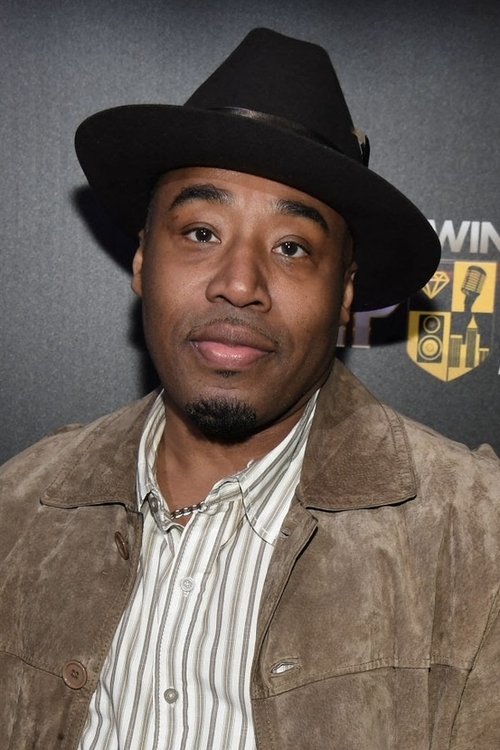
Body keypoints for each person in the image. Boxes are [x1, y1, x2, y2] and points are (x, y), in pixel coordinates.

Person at [1, 27, 499, 750]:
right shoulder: (17, 512)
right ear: (142, 261)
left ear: (345, 292)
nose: (240, 283)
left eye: (292, 247)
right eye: (201, 233)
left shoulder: (478, 544)